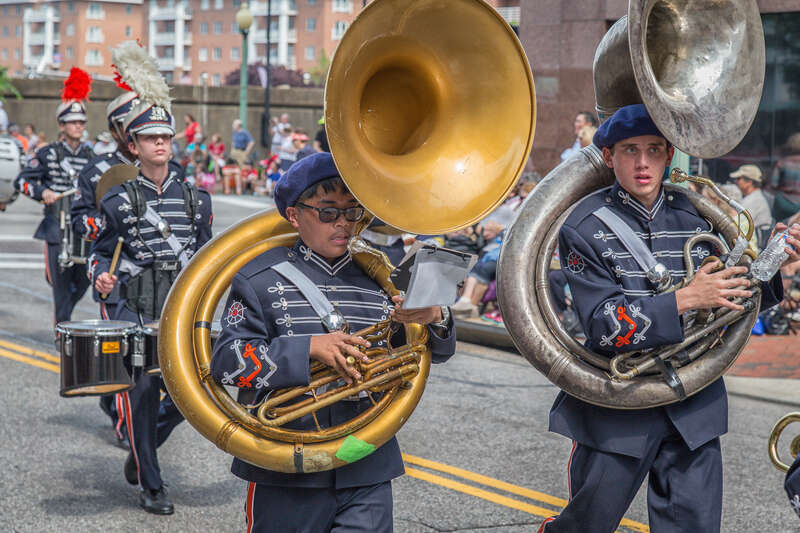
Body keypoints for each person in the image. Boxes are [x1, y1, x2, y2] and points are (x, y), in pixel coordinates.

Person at [537, 104, 793, 533]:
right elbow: (602, 324)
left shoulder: (696, 214)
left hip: (693, 403)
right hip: (618, 406)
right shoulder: (581, 226)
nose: (643, 163)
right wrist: (684, 299)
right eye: (630, 150)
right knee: (587, 526)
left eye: (654, 150)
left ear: (669, 154)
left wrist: (776, 260)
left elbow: (733, 300)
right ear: (607, 156)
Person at [210, 152, 456, 532]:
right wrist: (307, 348)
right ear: (294, 215)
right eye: (328, 213)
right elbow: (228, 362)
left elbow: (430, 354)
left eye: (351, 212)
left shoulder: (380, 279)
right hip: (287, 467)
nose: (343, 224)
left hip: (366, 462)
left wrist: (435, 319)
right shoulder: (258, 278)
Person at [90, 74, 213, 516]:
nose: (160, 143)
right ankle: (152, 484)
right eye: (150, 137)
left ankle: (142, 453)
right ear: (134, 146)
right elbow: (99, 255)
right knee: (141, 397)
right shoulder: (117, 201)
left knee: (189, 396)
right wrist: (101, 276)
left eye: (165, 136)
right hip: (137, 311)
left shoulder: (197, 200)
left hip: (179, 312)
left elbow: (206, 259)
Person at [13, 68, 94, 329]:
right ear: (62, 125)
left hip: (83, 229)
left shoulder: (92, 158)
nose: (78, 127)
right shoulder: (47, 154)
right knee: (59, 285)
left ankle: (65, 321)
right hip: (56, 229)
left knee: (83, 281)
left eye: (81, 123)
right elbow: (22, 181)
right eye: (73, 122)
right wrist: (42, 193)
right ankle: (63, 330)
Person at [730, 164, 773, 232]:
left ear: (749, 182)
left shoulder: (755, 200)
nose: (736, 181)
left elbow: (736, 223)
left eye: (738, 179)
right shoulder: (753, 197)